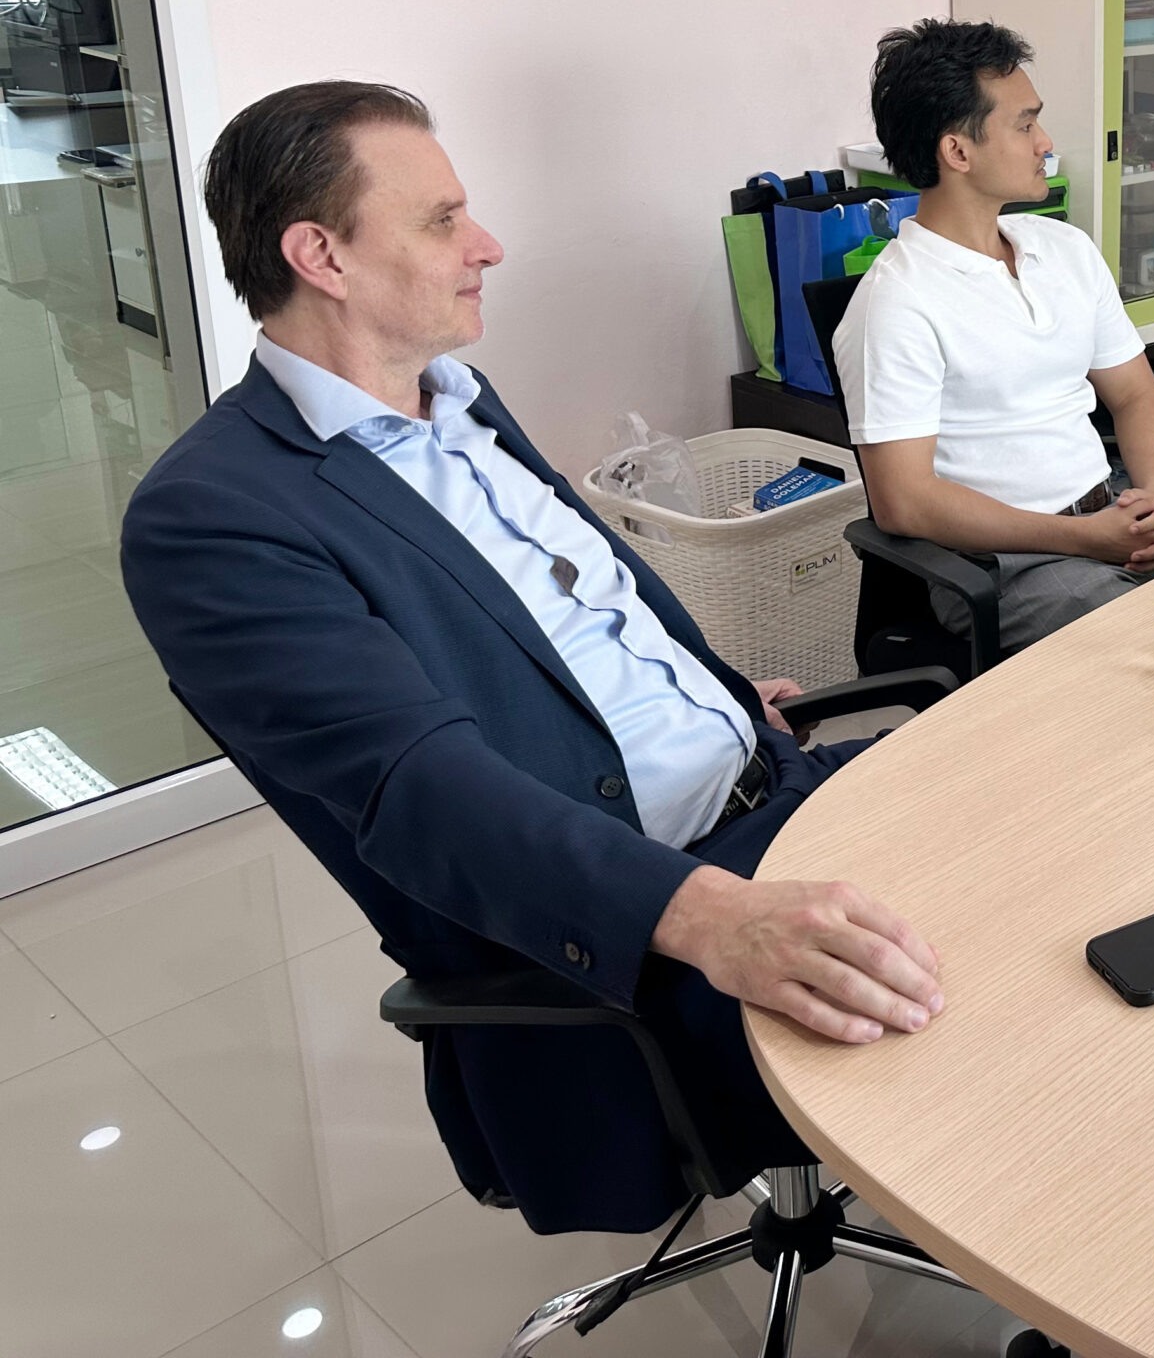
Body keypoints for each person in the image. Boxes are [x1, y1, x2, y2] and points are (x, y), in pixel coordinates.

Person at [120, 82, 941, 1234]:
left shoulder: (456, 402)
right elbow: (421, 792)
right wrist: (717, 920)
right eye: (442, 220)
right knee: (1018, 1012)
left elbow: (572, 616)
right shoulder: (213, 515)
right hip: (650, 923)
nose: (487, 246)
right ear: (321, 256)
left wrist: (708, 699)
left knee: (1040, 836)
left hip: (771, 789)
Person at [838, 20, 1154, 653]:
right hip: (1007, 566)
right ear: (958, 152)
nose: (1045, 142)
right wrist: (1088, 540)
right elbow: (904, 502)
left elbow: (1135, 395)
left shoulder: (1064, 249)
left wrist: (1149, 503)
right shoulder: (896, 302)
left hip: (1113, 513)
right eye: (1025, 125)